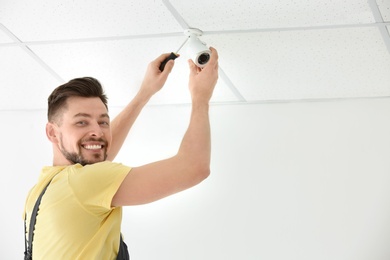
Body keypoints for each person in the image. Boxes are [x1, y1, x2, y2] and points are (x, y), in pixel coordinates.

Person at [23, 47, 219, 259]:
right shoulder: (83, 183)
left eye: (103, 122)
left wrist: (145, 93)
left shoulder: (42, 189)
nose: (97, 132)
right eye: (81, 122)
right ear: (52, 132)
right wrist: (201, 98)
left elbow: (96, 152)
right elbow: (193, 167)